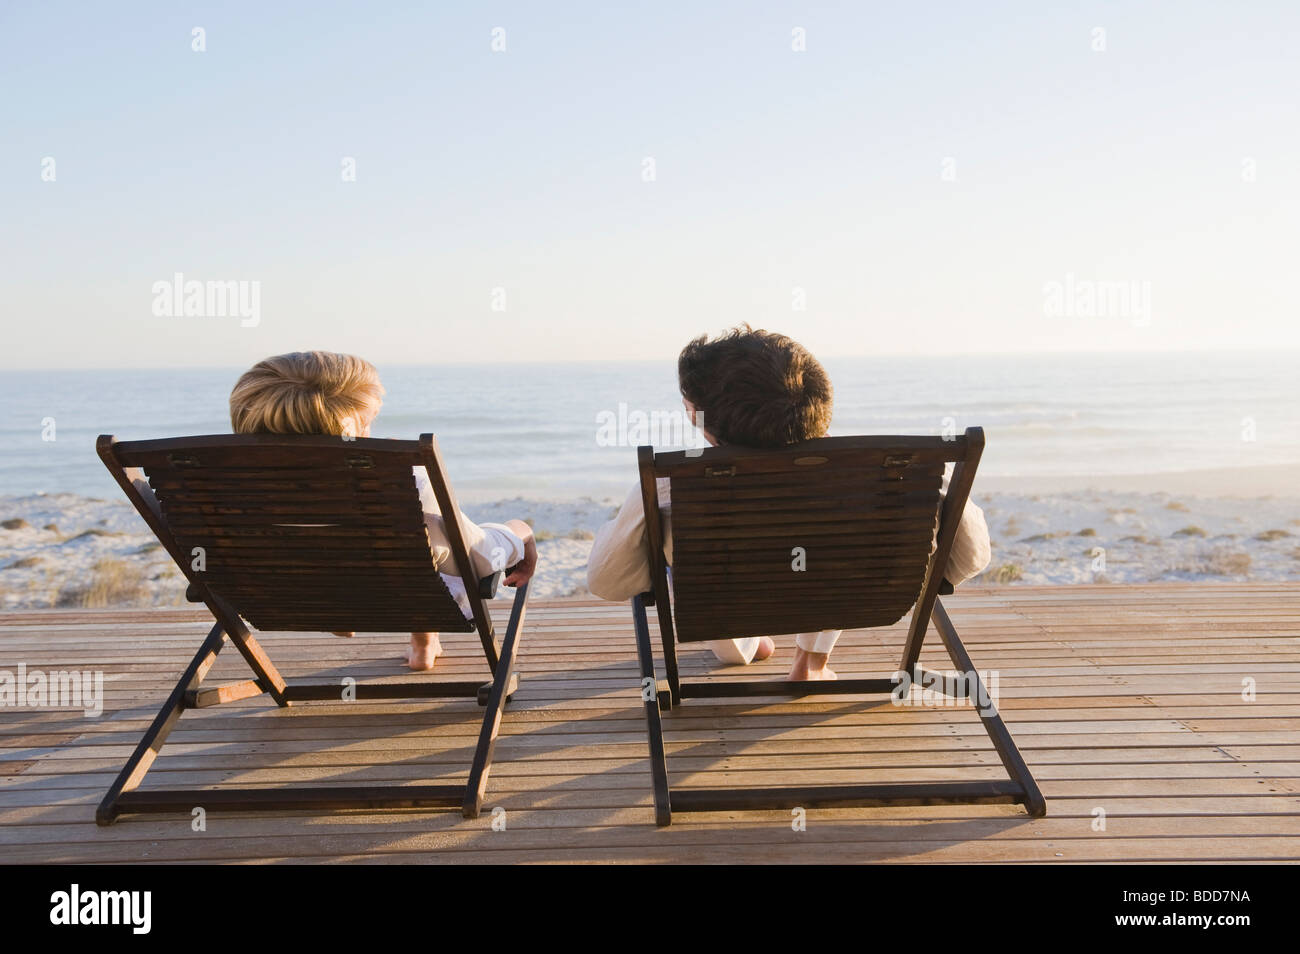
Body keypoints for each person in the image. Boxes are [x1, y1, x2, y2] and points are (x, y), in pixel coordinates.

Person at [586, 325, 991, 680]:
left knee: (699, 566)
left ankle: (745, 645)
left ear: (704, 424)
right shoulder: (901, 474)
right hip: (853, 593)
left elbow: (608, 581)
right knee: (834, 546)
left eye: (689, 409)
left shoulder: (670, 484)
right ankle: (811, 664)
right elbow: (965, 560)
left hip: (729, 601)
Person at [228, 351, 537, 670]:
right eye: (366, 425)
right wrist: (519, 534)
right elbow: (477, 560)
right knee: (422, 540)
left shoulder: (221, 483)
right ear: (349, 429)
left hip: (297, 598)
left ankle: (409, 636)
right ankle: (421, 639)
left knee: (407, 542)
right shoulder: (401, 477)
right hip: (398, 598)